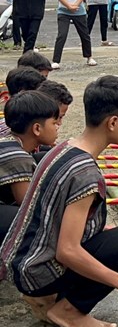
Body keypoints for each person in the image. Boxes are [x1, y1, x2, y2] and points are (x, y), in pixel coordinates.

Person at [0, 76, 118, 327]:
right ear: (113, 122)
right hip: (38, 273)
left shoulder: (63, 148)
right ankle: (69, 309)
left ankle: (54, 297)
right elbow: (67, 252)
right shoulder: (85, 173)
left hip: (21, 262)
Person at [0, 91, 60, 237]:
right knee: (32, 223)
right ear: (37, 129)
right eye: (54, 122)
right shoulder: (18, 157)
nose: (58, 126)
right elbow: (28, 206)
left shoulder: (9, 141)